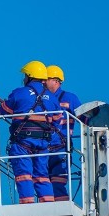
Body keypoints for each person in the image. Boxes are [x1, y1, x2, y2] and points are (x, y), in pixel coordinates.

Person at [0, 61, 60, 204]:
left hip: (22, 142)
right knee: (42, 175)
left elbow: (4, 111)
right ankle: (48, 204)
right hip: (43, 143)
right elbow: (57, 119)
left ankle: (28, 204)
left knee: (24, 174)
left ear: (29, 76)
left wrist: (4, 103)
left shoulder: (19, 93)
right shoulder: (52, 97)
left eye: (25, 75)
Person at [45, 65, 82, 202]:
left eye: (47, 79)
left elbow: (84, 118)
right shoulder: (42, 99)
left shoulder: (69, 98)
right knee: (43, 183)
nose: (43, 82)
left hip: (60, 150)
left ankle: (61, 207)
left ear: (56, 80)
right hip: (43, 149)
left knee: (58, 183)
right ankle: (48, 209)